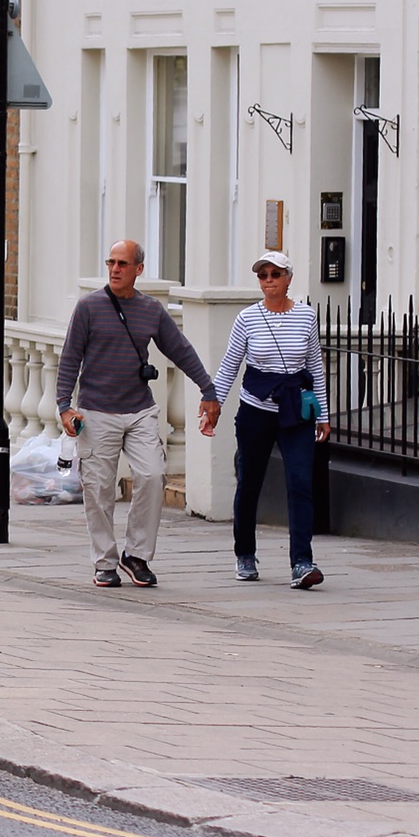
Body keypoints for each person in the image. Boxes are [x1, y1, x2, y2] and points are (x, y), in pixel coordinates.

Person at [56, 240, 222, 588]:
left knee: (152, 474)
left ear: (138, 270)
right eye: (111, 262)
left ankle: (137, 555)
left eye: (122, 263)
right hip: (96, 410)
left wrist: (208, 390)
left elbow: (180, 349)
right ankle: (104, 562)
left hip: (139, 409)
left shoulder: (151, 311)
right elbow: (70, 357)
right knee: (98, 489)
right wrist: (64, 406)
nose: (115, 269)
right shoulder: (89, 307)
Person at [211, 251, 331, 589]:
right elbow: (230, 365)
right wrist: (214, 404)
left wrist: (323, 414)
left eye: (275, 274)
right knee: (249, 481)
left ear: (288, 279)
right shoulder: (247, 318)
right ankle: (245, 553)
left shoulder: (306, 317)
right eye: (263, 276)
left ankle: (302, 562)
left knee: (300, 482)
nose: (269, 281)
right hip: (256, 410)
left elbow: (315, 369)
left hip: (295, 411)